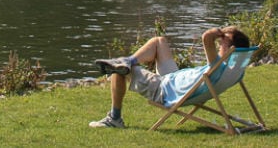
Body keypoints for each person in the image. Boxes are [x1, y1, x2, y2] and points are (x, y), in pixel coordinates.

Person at [89, 25, 250, 129]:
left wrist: (220, 31)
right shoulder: (234, 70)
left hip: (164, 89)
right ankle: (129, 61)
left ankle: (114, 119)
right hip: (173, 79)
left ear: (231, 49)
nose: (219, 42)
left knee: (118, 68)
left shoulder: (218, 66)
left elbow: (207, 37)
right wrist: (227, 35)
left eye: (223, 41)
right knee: (159, 41)